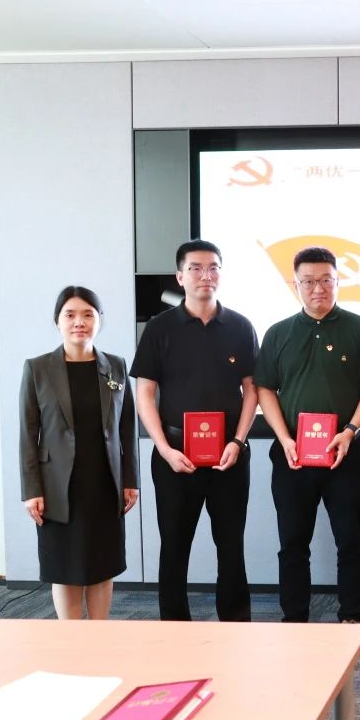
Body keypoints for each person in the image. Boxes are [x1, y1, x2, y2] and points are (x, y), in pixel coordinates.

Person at [255, 246, 360, 626]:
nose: (318, 289)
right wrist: (284, 438)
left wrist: (350, 431)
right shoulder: (278, 333)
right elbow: (265, 390)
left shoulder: (358, 328)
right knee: (292, 543)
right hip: (292, 454)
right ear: (295, 285)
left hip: (346, 451)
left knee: (350, 539)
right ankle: (295, 620)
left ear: (337, 281)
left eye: (326, 280)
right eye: (309, 281)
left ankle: (350, 617)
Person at [130, 239, 259, 622]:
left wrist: (238, 441)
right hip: (174, 455)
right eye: (196, 268)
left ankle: (235, 623)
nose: (206, 275)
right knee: (173, 545)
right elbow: (145, 393)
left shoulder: (240, 326)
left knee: (231, 545)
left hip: (228, 455)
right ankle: (174, 626)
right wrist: (164, 449)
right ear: (180, 276)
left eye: (213, 267)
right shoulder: (160, 328)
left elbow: (252, 391)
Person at [19, 286, 138, 619]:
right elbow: (27, 434)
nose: (79, 322)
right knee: (65, 567)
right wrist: (31, 490)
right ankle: (70, 638)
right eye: (70, 315)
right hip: (57, 486)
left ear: (99, 320)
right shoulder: (38, 369)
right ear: (57, 321)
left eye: (88, 314)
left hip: (104, 482)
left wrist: (131, 480)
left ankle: (98, 635)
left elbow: (127, 429)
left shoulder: (116, 366)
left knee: (102, 565)